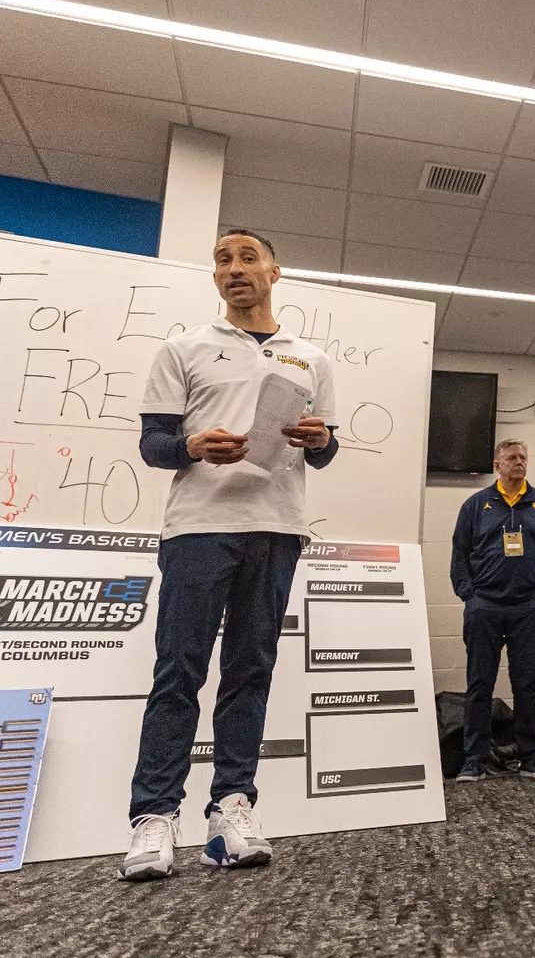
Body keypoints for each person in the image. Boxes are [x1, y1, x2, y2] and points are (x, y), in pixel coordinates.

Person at [121, 230, 338, 882]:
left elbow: (324, 451)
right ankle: (154, 818)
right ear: (216, 277)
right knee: (178, 672)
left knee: (251, 671)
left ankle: (231, 812)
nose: (235, 268)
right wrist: (191, 447)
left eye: (247, 258)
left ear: (275, 271)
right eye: (223, 259)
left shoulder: (311, 360)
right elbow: (154, 444)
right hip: (198, 528)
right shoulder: (182, 348)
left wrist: (320, 438)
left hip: (276, 528)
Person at [450, 439, 535, 783]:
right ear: (497, 464)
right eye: (512, 458)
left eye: (523, 458)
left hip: (529, 607)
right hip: (484, 605)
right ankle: (474, 758)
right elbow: (459, 554)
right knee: (479, 684)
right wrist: (469, 595)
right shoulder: (475, 505)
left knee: (526, 684)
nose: (519, 463)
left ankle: (531, 756)